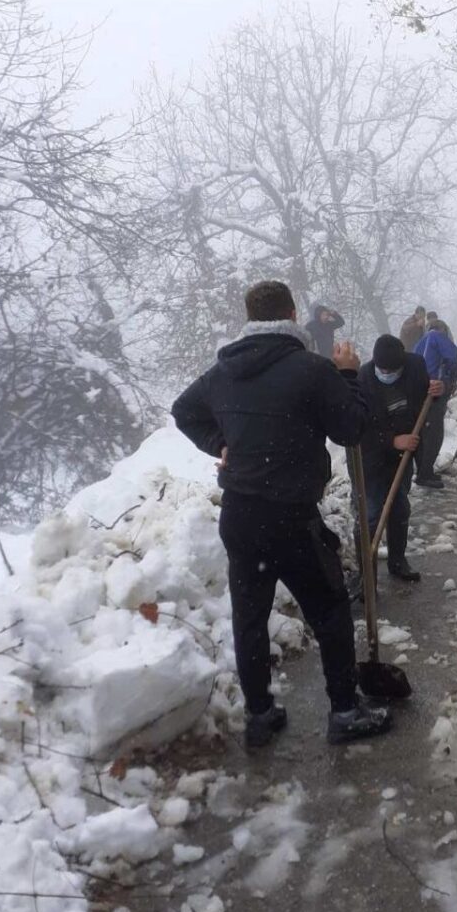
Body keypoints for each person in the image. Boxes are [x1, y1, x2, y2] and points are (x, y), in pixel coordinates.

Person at [170, 280, 391, 749]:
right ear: (292, 314)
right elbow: (351, 429)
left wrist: (220, 444)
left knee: (249, 616)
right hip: (291, 517)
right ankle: (346, 711)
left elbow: (184, 410)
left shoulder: (223, 371)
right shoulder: (312, 369)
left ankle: (260, 715)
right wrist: (349, 376)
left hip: (240, 516)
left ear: (249, 317)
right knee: (329, 610)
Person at [355, 336, 444, 582]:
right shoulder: (362, 380)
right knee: (370, 514)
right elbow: (358, 430)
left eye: (392, 370)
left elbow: (425, 398)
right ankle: (367, 576)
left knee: (399, 507)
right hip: (369, 459)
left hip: (401, 456)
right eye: (382, 369)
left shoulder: (415, 366)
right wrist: (392, 440)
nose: (387, 373)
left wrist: (437, 392)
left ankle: (398, 561)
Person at [413, 319, 457, 488]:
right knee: (434, 433)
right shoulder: (438, 336)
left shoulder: (421, 342)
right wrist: (451, 380)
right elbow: (453, 358)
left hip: (419, 390)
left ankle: (422, 470)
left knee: (423, 430)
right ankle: (425, 473)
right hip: (435, 390)